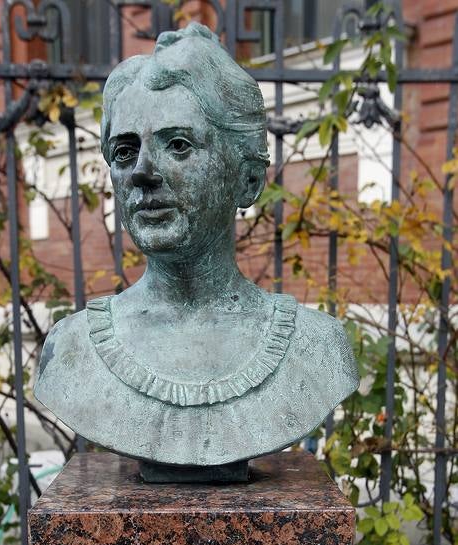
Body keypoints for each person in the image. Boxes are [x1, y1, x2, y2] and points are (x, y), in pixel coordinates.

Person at [35, 23, 359, 473]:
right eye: (125, 152)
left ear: (247, 178)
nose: (143, 172)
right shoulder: (71, 351)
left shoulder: (316, 348)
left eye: (179, 145)